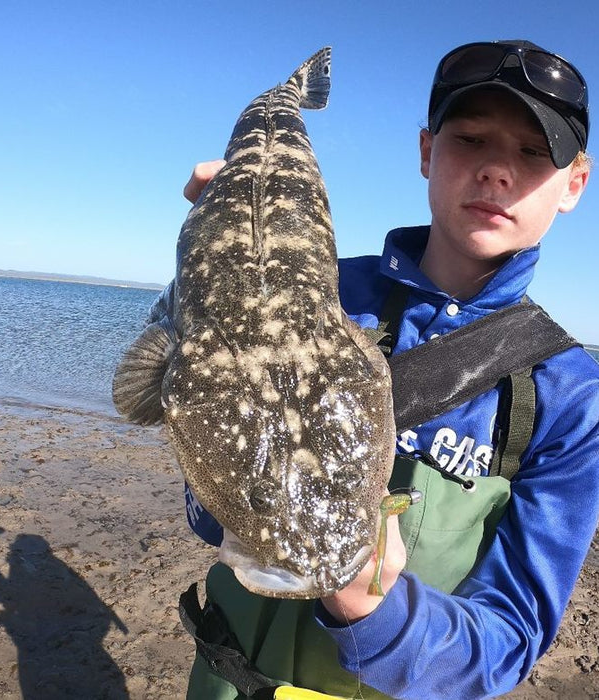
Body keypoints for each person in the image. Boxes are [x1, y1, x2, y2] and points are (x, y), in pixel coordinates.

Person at [181, 40, 599, 699]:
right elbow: (205, 511)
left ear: (574, 181)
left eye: (532, 151)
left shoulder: (566, 395)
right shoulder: (319, 288)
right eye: (470, 138)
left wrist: (371, 605)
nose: (496, 170)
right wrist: (203, 281)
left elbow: (513, 638)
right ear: (427, 151)